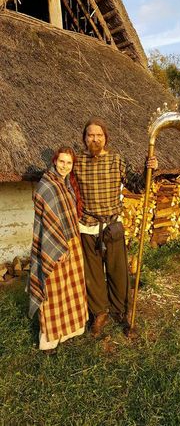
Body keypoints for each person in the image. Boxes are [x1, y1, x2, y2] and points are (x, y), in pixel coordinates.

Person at [74, 117, 157, 337]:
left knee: (118, 273)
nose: (95, 139)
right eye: (90, 135)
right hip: (88, 226)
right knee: (92, 276)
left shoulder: (116, 160)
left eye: (99, 135)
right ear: (84, 138)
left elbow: (138, 186)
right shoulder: (76, 162)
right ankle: (99, 313)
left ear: (105, 138)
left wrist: (150, 170)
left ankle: (121, 311)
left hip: (112, 227)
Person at [28, 147, 88, 353]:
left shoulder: (68, 185)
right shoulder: (46, 185)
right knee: (52, 290)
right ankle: (48, 340)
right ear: (55, 161)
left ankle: (67, 330)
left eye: (69, 163)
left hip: (72, 242)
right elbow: (46, 220)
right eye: (61, 162)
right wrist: (56, 243)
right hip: (52, 245)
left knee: (69, 288)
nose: (64, 166)